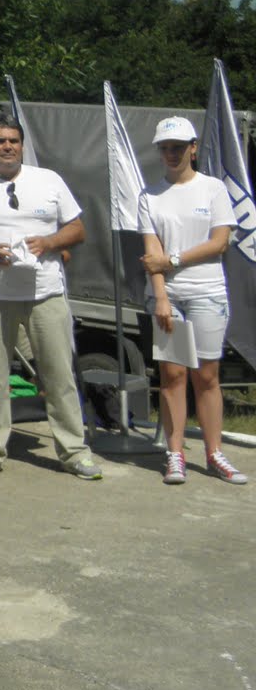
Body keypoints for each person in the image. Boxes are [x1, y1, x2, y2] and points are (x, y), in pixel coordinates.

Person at [0, 113, 102, 480]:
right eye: (0, 141)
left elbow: (77, 229)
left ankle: (75, 452)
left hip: (46, 293)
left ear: (22, 146)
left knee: (59, 375)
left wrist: (50, 241)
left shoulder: (49, 181)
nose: (8, 147)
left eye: (13, 141)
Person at [139, 116, 244, 486]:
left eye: (178, 147)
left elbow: (219, 242)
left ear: (193, 148)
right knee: (173, 375)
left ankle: (214, 453)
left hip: (207, 293)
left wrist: (172, 261)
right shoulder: (149, 195)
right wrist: (161, 298)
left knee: (207, 376)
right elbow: (151, 253)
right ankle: (175, 453)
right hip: (168, 297)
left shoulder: (213, 189)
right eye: (165, 148)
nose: (171, 153)